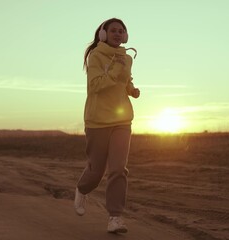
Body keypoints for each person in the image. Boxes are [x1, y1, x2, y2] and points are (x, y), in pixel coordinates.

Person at [74, 18, 140, 234]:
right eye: (113, 30)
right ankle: (82, 189)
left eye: (122, 31)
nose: (118, 34)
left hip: (121, 121)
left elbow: (125, 80)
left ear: (126, 36)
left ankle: (115, 218)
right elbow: (95, 87)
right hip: (97, 121)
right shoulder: (96, 56)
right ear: (103, 34)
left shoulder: (126, 58)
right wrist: (114, 70)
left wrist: (131, 90)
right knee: (96, 171)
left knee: (119, 169)